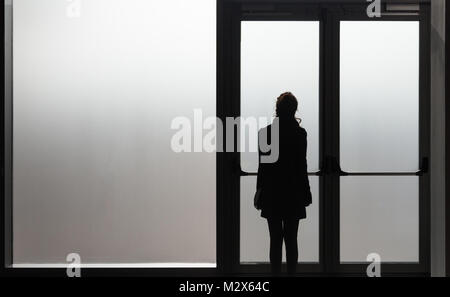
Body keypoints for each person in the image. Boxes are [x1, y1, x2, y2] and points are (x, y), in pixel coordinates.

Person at [256, 92, 312, 275]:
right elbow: (301, 166)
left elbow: (263, 167)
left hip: (272, 192)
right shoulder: (299, 134)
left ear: (277, 110)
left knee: (275, 240)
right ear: (294, 109)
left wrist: (259, 191)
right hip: (293, 191)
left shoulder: (265, 134)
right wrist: (306, 191)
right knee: (291, 239)